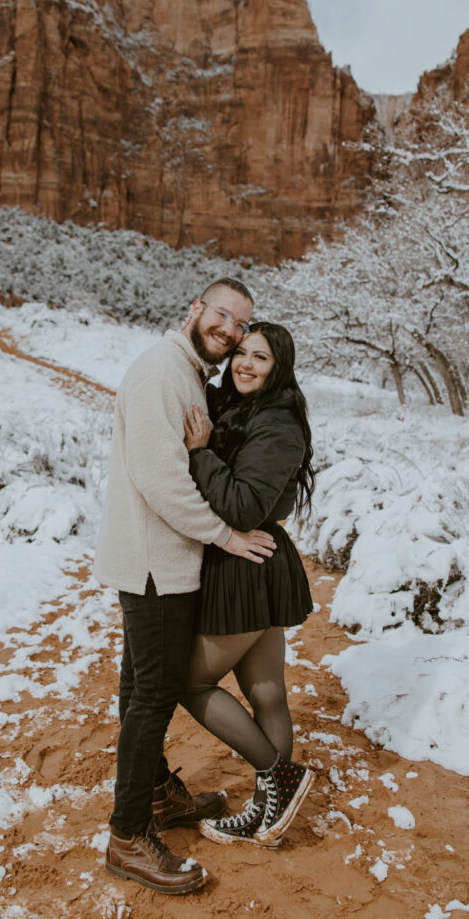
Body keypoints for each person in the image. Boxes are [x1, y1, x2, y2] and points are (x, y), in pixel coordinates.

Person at [92, 279, 277, 895]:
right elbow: (162, 481)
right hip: (157, 566)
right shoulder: (162, 373)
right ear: (195, 309)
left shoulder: (185, 369)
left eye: (241, 326)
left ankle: (155, 795)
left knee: (139, 686)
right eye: (222, 316)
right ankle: (127, 836)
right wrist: (225, 536)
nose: (230, 331)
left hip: (155, 560)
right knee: (155, 694)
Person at [180, 321, 316, 847]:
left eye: (260, 358)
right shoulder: (244, 407)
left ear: (278, 367)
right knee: (267, 692)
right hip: (252, 563)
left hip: (247, 566)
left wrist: (200, 452)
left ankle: (279, 775)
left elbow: (241, 505)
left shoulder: (279, 424)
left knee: (188, 682)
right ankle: (270, 812)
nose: (246, 364)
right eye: (240, 353)